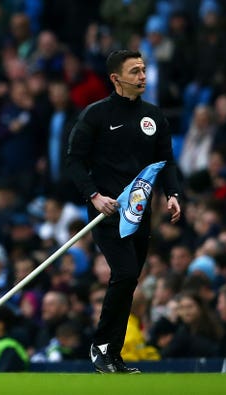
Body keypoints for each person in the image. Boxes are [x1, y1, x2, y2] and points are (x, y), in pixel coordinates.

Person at [65, 49, 181, 373]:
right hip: (107, 211)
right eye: (135, 72)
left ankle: (113, 355)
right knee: (126, 272)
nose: (142, 76)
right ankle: (101, 346)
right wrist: (93, 196)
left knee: (130, 279)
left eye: (143, 70)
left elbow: (166, 162)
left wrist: (172, 193)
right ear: (116, 78)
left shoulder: (154, 116)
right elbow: (73, 161)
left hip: (140, 211)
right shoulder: (95, 115)